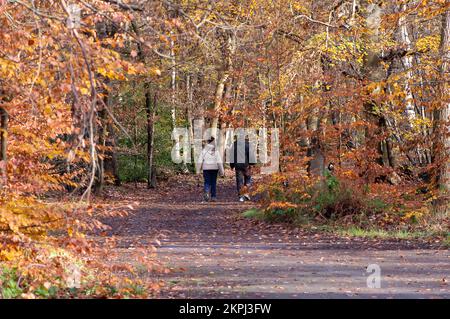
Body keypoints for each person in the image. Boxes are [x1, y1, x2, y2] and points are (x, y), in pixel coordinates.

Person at [196, 137, 224, 202]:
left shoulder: (204, 150)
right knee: (213, 182)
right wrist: (222, 172)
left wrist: (198, 171)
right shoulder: (216, 151)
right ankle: (213, 197)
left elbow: (200, 160)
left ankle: (206, 193)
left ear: (207, 142)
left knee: (207, 182)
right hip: (214, 168)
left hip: (206, 168)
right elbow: (219, 162)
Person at [229, 136, 254, 202]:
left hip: (238, 166)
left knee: (239, 181)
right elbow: (251, 155)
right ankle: (246, 193)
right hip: (246, 165)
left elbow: (231, 156)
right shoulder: (247, 144)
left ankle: (241, 196)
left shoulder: (234, 144)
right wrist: (252, 164)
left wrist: (232, 165)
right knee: (248, 179)